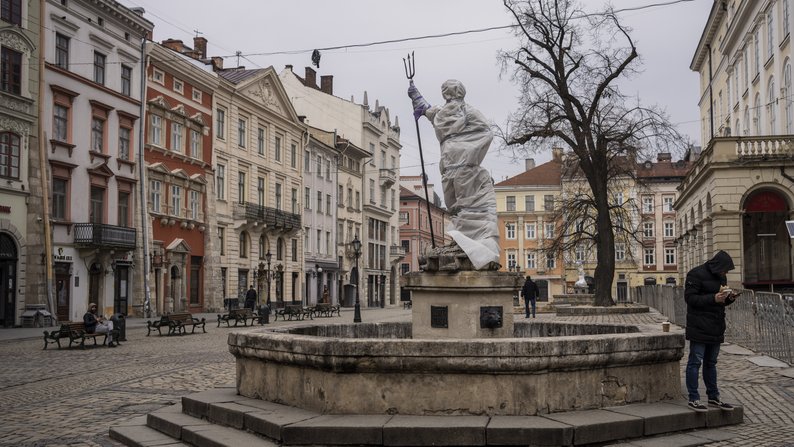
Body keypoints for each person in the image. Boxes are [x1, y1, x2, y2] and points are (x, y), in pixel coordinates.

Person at [408, 79, 500, 270]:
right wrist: (415, 96)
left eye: (447, 90)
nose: (446, 93)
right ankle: (462, 242)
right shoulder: (445, 112)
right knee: (454, 204)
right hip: (450, 165)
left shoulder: (466, 112)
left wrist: (470, 151)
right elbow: (426, 109)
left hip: (460, 163)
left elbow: (485, 132)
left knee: (464, 203)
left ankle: (470, 246)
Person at [684, 250, 737, 412]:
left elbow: (720, 301)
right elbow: (690, 299)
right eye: (725, 269)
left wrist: (729, 299)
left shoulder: (721, 277)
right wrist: (713, 298)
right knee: (695, 362)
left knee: (711, 363)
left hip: (715, 326)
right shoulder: (695, 274)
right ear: (718, 265)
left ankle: (714, 397)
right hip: (699, 326)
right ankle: (693, 398)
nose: (726, 273)